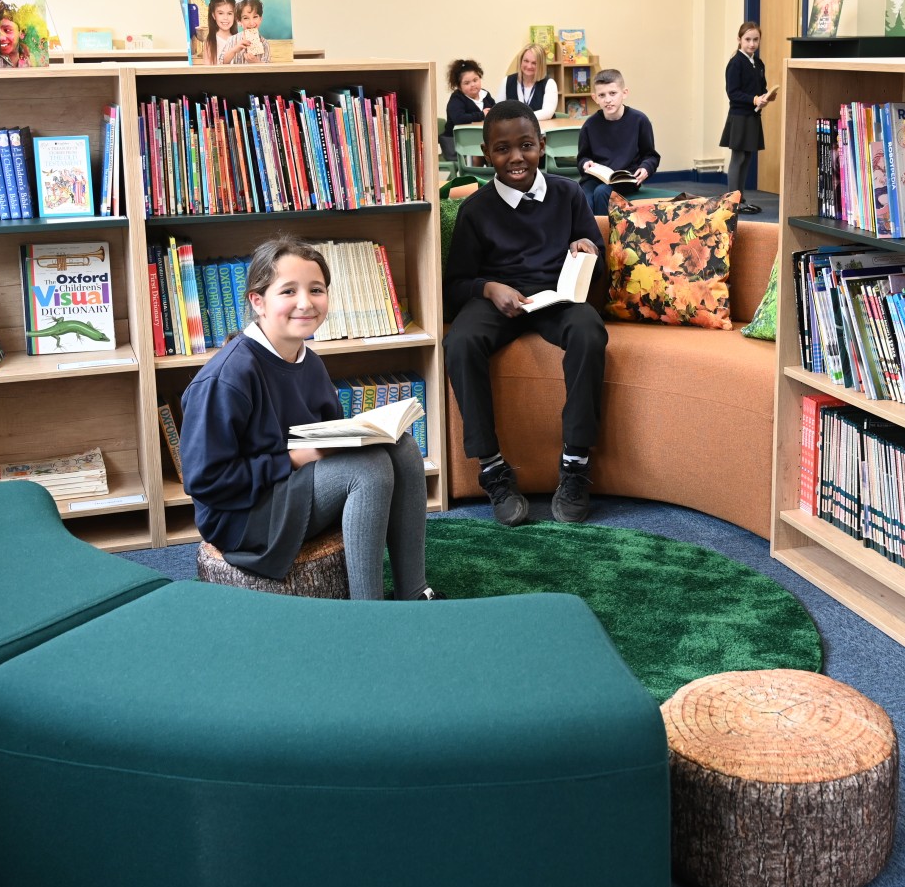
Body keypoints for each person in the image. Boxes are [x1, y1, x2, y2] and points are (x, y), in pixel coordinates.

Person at [180, 236, 438, 601]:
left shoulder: (309, 360)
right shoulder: (227, 377)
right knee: (369, 469)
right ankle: (370, 614)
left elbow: (325, 436)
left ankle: (415, 591)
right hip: (243, 516)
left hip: (296, 488)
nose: (306, 303)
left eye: (316, 290)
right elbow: (207, 483)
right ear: (258, 301)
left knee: (403, 447)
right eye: (288, 291)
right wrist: (292, 458)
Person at [444, 101, 606, 526]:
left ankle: (575, 463)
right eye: (502, 149)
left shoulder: (569, 194)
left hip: (556, 298)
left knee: (589, 331)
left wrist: (587, 250)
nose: (516, 157)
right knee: (460, 342)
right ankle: (492, 468)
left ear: (543, 146)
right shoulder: (475, 210)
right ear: (485, 153)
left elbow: (596, 256)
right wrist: (488, 287)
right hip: (499, 301)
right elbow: (455, 285)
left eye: (526, 145)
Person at [576, 68, 660, 216]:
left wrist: (646, 167)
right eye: (602, 95)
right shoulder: (590, 125)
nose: (608, 100)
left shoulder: (639, 120)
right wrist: (585, 163)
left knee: (602, 193)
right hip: (596, 177)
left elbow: (651, 155)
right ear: (595, 98)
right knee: (583, 197)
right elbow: (582, 157)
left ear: (624, 93)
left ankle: (602, 237)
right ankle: (586, 237)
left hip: (625, 178)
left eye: (613, 93)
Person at [721, 21, 776, 214]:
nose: (752, 44)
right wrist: (754, 99)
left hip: (753, 116)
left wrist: (767, 96)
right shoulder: (736, 62)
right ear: (739, 40)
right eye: (747, 39)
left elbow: (761, 88)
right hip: (739, 116)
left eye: (755, 40)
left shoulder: (758, 63)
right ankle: (731, 202)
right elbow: (733, 92)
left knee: (747, 157)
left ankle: (740, 198)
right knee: (738, 157)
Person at [442, 58, 497, 159]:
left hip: (481, 140)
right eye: (467, 83)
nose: (473, 85)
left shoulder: (485, 94)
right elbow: (458, 118)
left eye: (475, 80)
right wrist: (481, 115)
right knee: (477, 153)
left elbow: (496, 110)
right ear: (459, 86)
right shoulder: (457, 99)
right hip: (459, 145)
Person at [503, 43, 559, 123]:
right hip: (513, 133)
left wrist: (520, 118)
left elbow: (548, 113)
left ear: (541, 65)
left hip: (540, 133)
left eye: (534, 63)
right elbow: (498, 111)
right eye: (526, 61)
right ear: (521, 61)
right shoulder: (507, 81)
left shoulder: (549, 83)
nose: (529, 66)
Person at [195, 0, 248, 66]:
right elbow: (207, 70)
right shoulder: (210, 41)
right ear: (214, 15)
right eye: (221, 13)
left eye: (229, 13)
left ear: (234, 15)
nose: (225, 18)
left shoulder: (240, 39)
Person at [230, 0, 269, 65]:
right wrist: (234, 50)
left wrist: (256, 62)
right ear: (239, 21)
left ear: (260, 19)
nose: (251, 23)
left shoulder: (264, 43)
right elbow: (223, 62)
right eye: (246, 18)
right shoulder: (232, 40)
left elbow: (267, 69)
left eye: (255, 17)